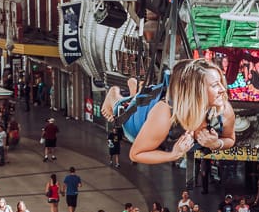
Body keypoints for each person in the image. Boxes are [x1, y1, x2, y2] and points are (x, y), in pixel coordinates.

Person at [99, 58, 237, 165]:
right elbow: (136, 154)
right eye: (214, 85)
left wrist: (217, 144)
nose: (222, 89)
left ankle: (136, 90)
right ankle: (115, 95)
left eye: (220, 82)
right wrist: (173, 155)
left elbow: (230, 139)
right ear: (196, 92)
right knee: (122, 111)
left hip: (155, 109)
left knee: (139, 98)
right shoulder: (165, 113)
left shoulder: (224, 110)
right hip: (137, 124)